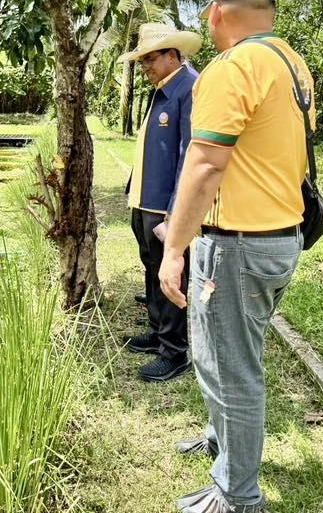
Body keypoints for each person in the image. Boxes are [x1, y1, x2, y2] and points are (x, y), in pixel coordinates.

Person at [157, 0, 315, 512]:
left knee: (233, 369)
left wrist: (173, 249)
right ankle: (223, 441)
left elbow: (204, 165)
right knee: (225, 357)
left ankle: (237, 495)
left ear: (215, 13)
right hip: (279, 238)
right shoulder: (290, 63)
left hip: (239, 246)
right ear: (269, 12)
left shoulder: (232, 66)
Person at [118, 22, 202, 383]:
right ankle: (157, 331)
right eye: (142, 63)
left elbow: (190, 156)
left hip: (166, 205)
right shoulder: (163, 88)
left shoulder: (190, 88)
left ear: (172, 55)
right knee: (152, 268)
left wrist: (176, 211)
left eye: (150, 60)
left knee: (171, 276)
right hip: (145, 199)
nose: (146, 68)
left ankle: (174, 351)